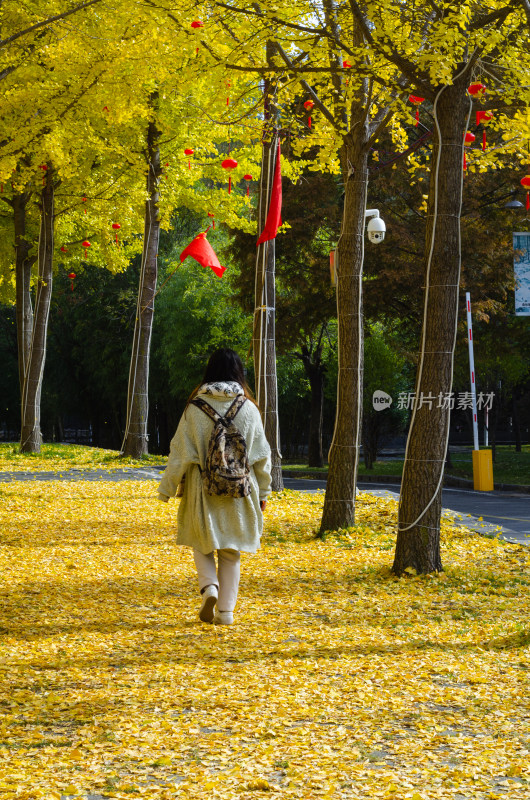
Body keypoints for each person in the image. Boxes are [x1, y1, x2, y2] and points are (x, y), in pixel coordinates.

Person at [157, 348, 272, 625]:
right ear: (238, 373)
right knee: (231, 552)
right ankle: (226, 612)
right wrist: (265, 492)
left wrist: (167, 488)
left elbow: (179, 451)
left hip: (201, 487)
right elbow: (262, 455)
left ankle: (209, 588)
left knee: (202, 543)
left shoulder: (195, 408)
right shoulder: (249, 409)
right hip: (239, 488)